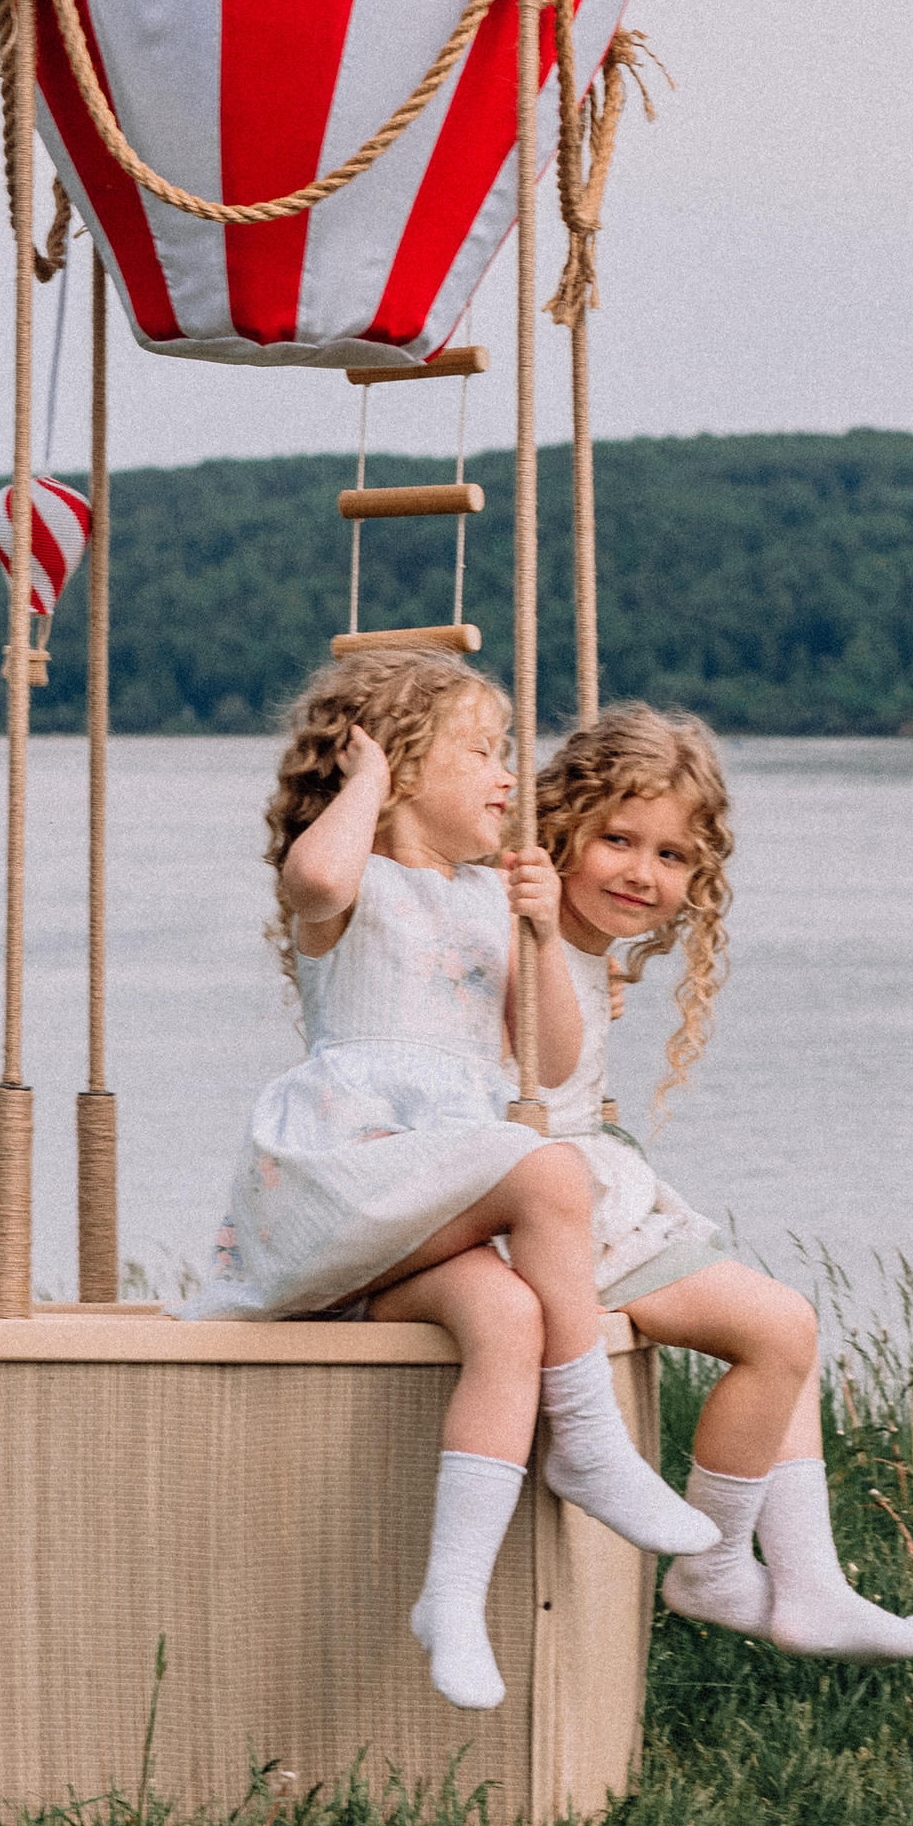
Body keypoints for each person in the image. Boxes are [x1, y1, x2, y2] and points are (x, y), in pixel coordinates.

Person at [194, 652, 716, 1713]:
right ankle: (591, 1444)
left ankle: (451, 1594)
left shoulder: (494, 897)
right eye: (481, 753)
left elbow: (555, 1058)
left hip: (419, 1224)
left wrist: (534, 934)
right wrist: (366, 781)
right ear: (395, 768)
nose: (505, 778)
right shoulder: (355, 888)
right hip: (345, 1185)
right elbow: (316, 878)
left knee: (507, 1314)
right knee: (548, 1170)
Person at [533, 702, 913, 1666]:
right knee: (777, 1328)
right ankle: (716, 1570)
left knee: (782, 1324)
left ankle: (808, 1579)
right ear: (559, 832)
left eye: (673, 857)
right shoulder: (529, 938)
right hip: (540, 1206)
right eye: (617, 840)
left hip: (588, 1184)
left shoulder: (579, 951)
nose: (643, 872)